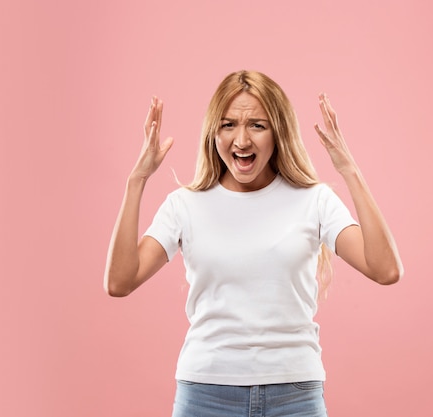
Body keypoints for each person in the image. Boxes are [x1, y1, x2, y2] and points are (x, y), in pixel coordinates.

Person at [104, 70, 403, 417]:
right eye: (228, 124)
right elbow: (120, 281)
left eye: (257, 126)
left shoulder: (314, 200)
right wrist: (137, 180)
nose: (241, 140)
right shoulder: (184, 205)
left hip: (295, 395)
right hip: (205, 394)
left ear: (279, 133)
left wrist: (349, 170)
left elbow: (385, 269)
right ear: (212, 132)